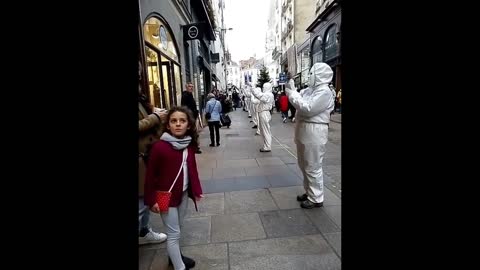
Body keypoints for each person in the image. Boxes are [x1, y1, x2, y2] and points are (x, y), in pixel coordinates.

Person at [144, 106, 204, 270]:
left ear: (189, 125)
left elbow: (192, 169)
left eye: (182, 121)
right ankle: (179, 267)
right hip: (165, 197)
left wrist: (196, 190)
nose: (178, 124)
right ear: (168, 125)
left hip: (182, 194)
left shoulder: (189, 145)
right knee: (174, 233)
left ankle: (174, 256)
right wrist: (151, 200)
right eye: (174, 121)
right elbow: (150, 176)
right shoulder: (160, 147)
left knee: (179, 226)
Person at [285, 62, 335, 209]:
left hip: (315, 130)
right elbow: (298, 98)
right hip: (305, 129)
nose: (309, 76)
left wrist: (293, 94)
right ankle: (310, 191)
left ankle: (316, 197)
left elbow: (308, 108)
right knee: (304, 164)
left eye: (312, 73)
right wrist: (291, 86)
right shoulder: (311, 90)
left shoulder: (324, 91)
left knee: (312, 164)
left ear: (319, 75)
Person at [138, 62, 168, 246]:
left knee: (145, 196)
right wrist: (156, 117)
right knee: (142, 201)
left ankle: (144, 232)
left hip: (145, 154)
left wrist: (153, 111)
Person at [251, 83, 274, 152]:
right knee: (264, 130)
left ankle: (267, 146)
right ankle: (266, 145)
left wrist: (253, 88)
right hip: (264, 113)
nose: (263, 88)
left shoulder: (268, 95)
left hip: (264, 113)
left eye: (264, 87)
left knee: (265, 130)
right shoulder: (268, 94)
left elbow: (259, 95)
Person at [181, 82, 202, 154]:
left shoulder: (190, 95)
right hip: (189, 117)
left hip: (192, 117)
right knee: (193, 133)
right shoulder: (185, 95)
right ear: (186, 87)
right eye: (190, 86)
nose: (191, 88)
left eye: (192, 87)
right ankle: (194, 147)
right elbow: (185, 107)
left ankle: (194, 147)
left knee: (194, 133)